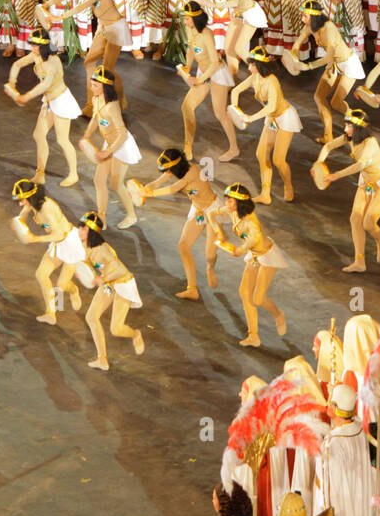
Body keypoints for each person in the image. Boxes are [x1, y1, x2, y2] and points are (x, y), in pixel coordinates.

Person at [315, 108, 380, 271]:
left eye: (349, 126)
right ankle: (359, 262)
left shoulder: (371, 143)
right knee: (355, 219)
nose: (345, 129)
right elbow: (328, 146)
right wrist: (318, 164)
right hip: (366, 183)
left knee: (368, 223)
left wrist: (336, 175)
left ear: (359, 128)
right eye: (346, 124)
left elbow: (360, 164)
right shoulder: (349, 138)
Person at [49, 0, 130, 114]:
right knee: (89, 63)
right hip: (103, 27)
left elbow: (82, 5)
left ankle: (118, 102)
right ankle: (91, 105)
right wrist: (48, 4)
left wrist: (59, 18)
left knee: (108, 70)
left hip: (115, 28)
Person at [138, 147, 222, 300]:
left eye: (169, 170)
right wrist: (144, 188)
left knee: (209, 255)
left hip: (212, 211)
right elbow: (158, 182)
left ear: (175, 167)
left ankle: (210, 267)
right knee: (183, 246)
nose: (167, 173)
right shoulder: (175, 171)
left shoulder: (193, 171)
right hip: (198, 210)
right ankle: (192, 289)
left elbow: (172, 189)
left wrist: (150, 194)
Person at [4, 28, 81, 186]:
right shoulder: (35, 55)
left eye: (35, 46)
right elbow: (17, 64)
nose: (32, 49)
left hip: (61, 101)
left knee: (62, 140)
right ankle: (40, 173)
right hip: (49, 101)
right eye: (31, 45)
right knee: (39, 135)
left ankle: (74, 174)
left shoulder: (53, 62)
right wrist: (12, 82)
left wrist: (26, 97)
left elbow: (45, 85)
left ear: (44, 46)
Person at [214, 182, 287, 348]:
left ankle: (278, 314)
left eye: (230, 201)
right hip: (254, 256)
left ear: (239, 203)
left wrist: (240, 249)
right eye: (226, 200)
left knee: (258, 298)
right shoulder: (232, 212)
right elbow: (212, 214)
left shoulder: (251, 221)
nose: (227, 204)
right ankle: (253, 335)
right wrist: (219, 232)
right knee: (244, 292)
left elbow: (255, 237)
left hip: (267, 256)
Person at [312, 382, 379, 516]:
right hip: (362, 511)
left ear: (334, 409)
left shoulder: (330, 445)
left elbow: (325, 495)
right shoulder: (359, 429)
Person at [76, 209, 146, 370]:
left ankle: (135, 334)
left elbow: (120, 270)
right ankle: (102, 359)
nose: (79, 231)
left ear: (92, 232)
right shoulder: (84, 244)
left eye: (83, 228)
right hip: (109, 283)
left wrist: (102, 278)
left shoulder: (102, 249)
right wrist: (85, 274)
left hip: (122, 284)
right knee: (92, 317)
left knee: (116, 329)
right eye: (80, 227)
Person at [231, 46, 301, 204]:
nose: (249, 68)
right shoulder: (254, 78)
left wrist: (250, 117)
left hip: (284, 118)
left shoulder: (272, 81)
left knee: (278, 160)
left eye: (252, 65)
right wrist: (235, 110)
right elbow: (235, 91)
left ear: (260, 66)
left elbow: (271, 107)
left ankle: (288, 186)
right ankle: (265, 194)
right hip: (271, 119)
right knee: (261, 154)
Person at [10, 179, 84, 326]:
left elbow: (59, 235)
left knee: (61, 285)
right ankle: (51, 313)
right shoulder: (33, 204)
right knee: (41, 274)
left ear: (30, 197)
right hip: (57, 244)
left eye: (22, 200)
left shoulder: (47, 209)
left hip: (70, 244)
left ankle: (74, 290)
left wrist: (34, 239)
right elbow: (23, 214)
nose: (20, 203)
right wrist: (18, 223)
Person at [290, 0, 364, 142]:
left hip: (348, 64)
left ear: (314, 16)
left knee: (336, 102)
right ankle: (328, 136)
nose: (302, 18)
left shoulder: (328, 29)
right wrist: (292, 57)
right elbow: (298, 43)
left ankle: (356, 123)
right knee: (318, 97)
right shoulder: (311, 26)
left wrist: (308, 66)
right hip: (335, 65)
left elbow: (328, 58)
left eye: (305, 15)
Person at [176, 1, 238, 161]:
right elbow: (190, 49)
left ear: (195, 19)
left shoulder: (206, 34)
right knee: (187, 107)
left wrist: (201, 79)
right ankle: (187, 146)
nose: (184, 21)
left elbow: (215, 62)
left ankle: (234, 149)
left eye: (187, 19)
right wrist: (187, 67)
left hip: (216, 73)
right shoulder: (189, 30)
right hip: (203, 72)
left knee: (220, 113)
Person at [85, 66, 141, 229]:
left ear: (105, 87)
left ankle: (132, 216)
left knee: (116, 184)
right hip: (109, 144)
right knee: (98, 180)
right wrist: (86, 136)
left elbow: (122, 134)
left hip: (121, 146)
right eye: (91, 84)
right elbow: (96, 119)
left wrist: (107, 152)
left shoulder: (112, 106)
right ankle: (101, 217)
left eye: (95, 85)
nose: (91, 88)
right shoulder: (96, 99)